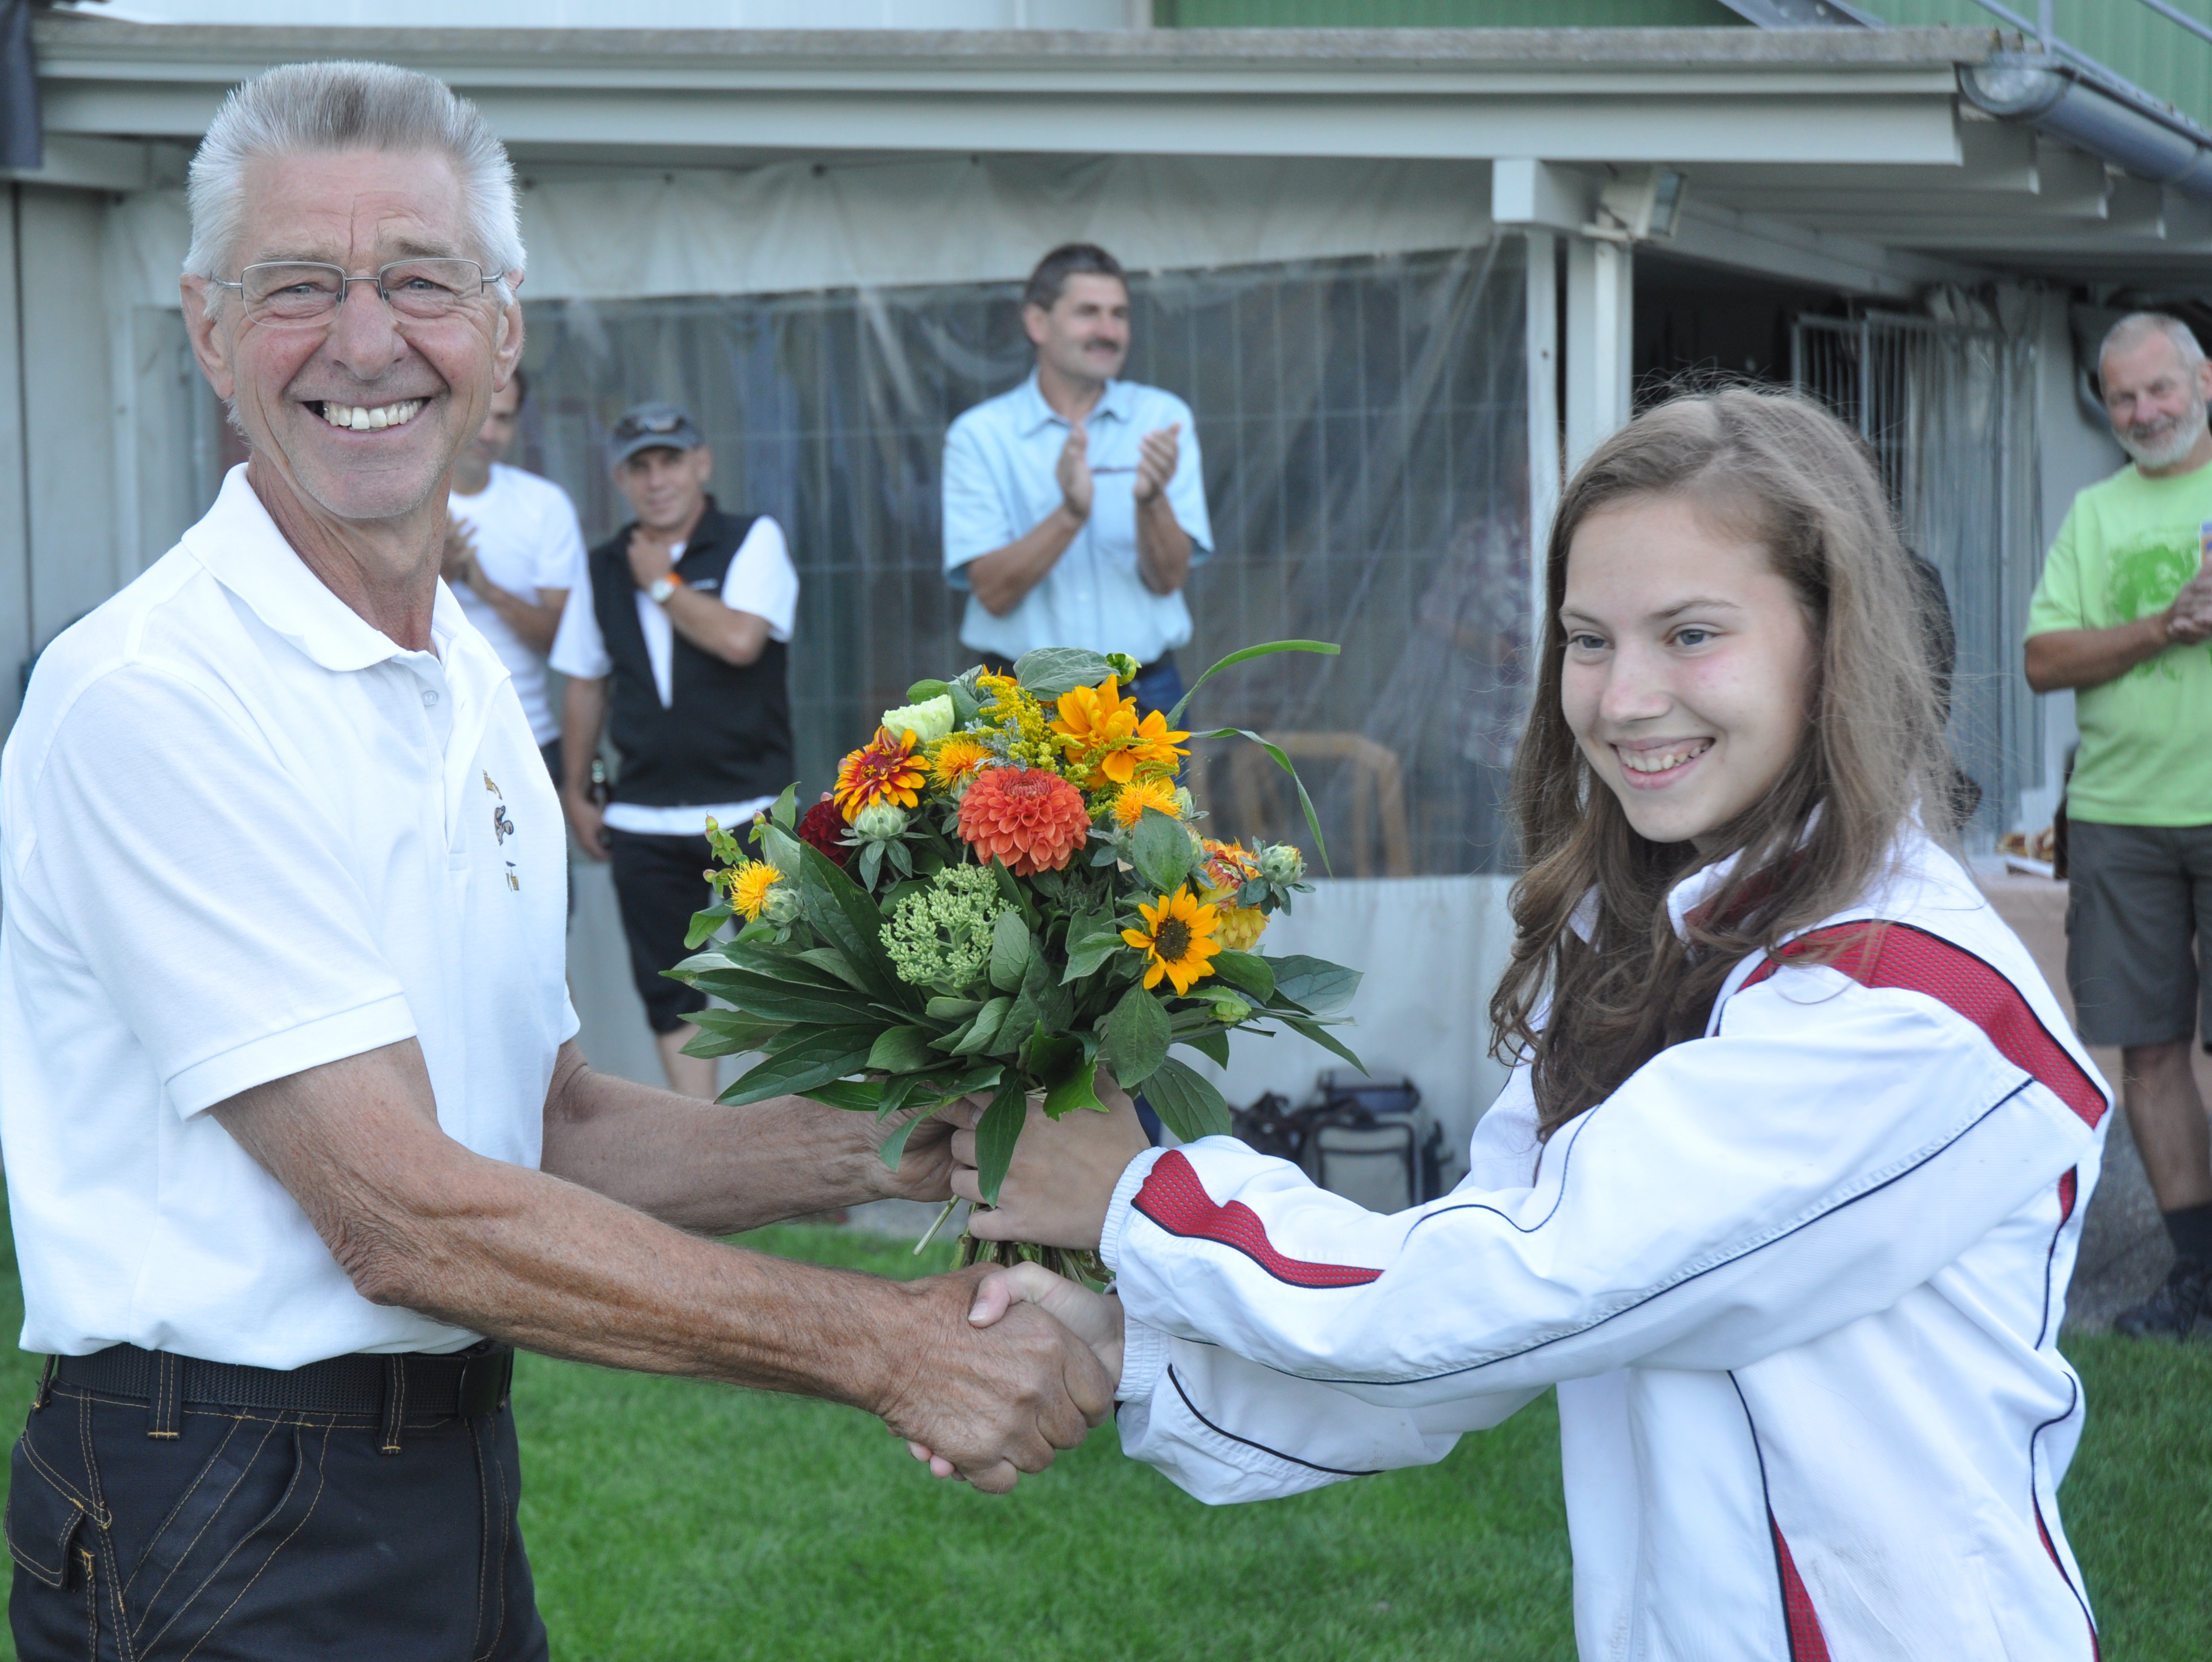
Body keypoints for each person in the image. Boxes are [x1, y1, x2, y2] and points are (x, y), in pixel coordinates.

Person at [0, 62, 1107, 1662]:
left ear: (502, 330)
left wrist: (895, 1144)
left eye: (421, 281)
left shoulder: (457, 671)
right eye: (297, 284)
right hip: (218, 1497)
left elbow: (549, 1125)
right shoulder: (154, 695)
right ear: (208, 330)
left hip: (438, 1465)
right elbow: (406, 1215)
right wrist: (887, 1344)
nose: (365, 341)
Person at [939, 390, 2114, 1661]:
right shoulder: (1647, 939)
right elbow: (1468, 1325)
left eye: (1690, 633)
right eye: (1586, 639)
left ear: (1835, 641)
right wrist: (1128, 1342)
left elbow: (1533, 1278)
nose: (1621, 697)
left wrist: (1141, 1197)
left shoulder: (1906, 998)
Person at [2026, 311, 2212, 1340]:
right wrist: (2161, 626)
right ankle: (2197, 1277)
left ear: (2204, 382)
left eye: (2158, 389)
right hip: (2119, 816)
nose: (2142, 412)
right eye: (2122, 397)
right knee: (2146, 1053)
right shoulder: (2094, 513)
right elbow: (2041, 659)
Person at [550, 402, 796, 1101]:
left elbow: (740, 640)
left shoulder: (750, 540)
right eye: (641, 467)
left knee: (789, 980)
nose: (657, 480)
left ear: (702, 464)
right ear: (620, 480)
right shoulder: (602, 568)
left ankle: (804, 1135)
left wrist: (660, 582)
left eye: (671, 461)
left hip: (751, 807)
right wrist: (575, 788)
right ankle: (702, 1137)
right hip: (644, 818)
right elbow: (585, 680)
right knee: (671, 991)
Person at [942, 243, 1211, 715]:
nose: (1109, 331)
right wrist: (1069, 514)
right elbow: (993, 594)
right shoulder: (980, 435)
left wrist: (1152, 501)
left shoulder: (1161, 420)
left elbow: (1169, 579)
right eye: (1089, 313)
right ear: (1037, 323)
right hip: (1021, 698)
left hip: (1142, 691)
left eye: (1119, 315)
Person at [443, 364, 582, 781]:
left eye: (503, 419)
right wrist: (440, 576)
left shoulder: (544, 505)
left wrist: (486, 589)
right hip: (433, 741)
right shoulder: (399, 499)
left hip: (528, 736)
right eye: (481, 414)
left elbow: (563, 641)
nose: (488, 433)